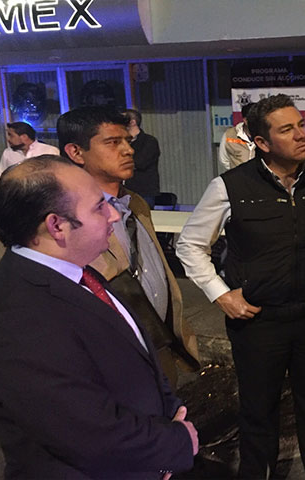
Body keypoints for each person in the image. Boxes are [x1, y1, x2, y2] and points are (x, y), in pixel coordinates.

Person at [176, 94, 305, 479]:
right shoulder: (230, 186)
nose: (301, 135)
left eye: (301, 125)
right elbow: (190, 245)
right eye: (287, 129)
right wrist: (220, 294)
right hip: (257, 321)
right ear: (261, 142)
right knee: (258, 413)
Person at [0, 155, 198, 478]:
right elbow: (83, 430)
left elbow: (138, 355)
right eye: (99, 207)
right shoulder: (13, 314)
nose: (113, 214)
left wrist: (170, 413)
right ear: (56, 226)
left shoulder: (78, 273)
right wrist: (174, 443)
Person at [58, 106, 200, 388]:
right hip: (108, 365)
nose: (128, 150)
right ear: (76, 152)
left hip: (158, 349)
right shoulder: (59, 217)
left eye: (128, 141)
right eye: (113, 142)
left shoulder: (135, 203)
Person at [123, 109, 161, 208]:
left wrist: (121, 163)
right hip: (123, 190)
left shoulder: (149, 141)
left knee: (141, 216)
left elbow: (141, 162)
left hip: (142, 191)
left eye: (123, 119)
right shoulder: (122, 142)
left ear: (133, 122)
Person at [218, 102, 256, 170]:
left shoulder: (266, 135)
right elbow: (224, 160)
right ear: (245, 120)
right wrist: (237, 173)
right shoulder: (229, 134)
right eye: (256, 120)